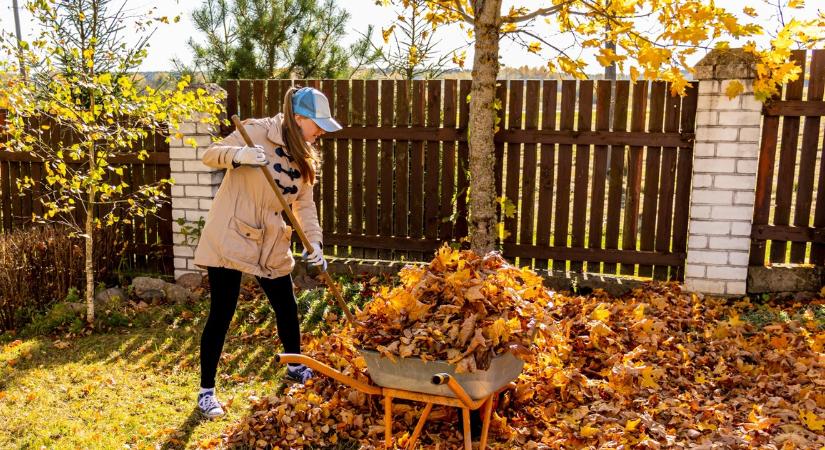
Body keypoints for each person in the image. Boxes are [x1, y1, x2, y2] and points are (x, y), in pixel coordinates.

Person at [191, 86, 342, 419]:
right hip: (231, 233)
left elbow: (304, 203)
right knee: (222, 312)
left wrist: (314, 242)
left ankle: (294, 367)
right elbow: (210, 154)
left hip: (272, 240)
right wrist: (239, 155)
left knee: (286, 307)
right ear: (298, 118)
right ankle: (206, 392)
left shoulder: (305, 152)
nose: (320, 132)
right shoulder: (256, 131)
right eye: (317, 124)